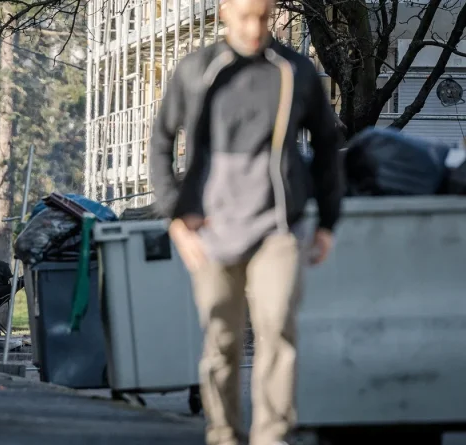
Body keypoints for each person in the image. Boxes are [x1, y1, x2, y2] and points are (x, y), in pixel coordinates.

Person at [149, 0, 343, 443]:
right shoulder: (199, 70)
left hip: (277, 228)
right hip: (212, 231)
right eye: (245, 16)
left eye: (264, 16)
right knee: (222, 340)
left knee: (277, 330)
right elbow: (161, 140)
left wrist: (328, 221)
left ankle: (271, 435)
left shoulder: (294, 71)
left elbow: (328, 143)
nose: (255, 27)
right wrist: (176, 218)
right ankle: (224, 434)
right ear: (224, 12)